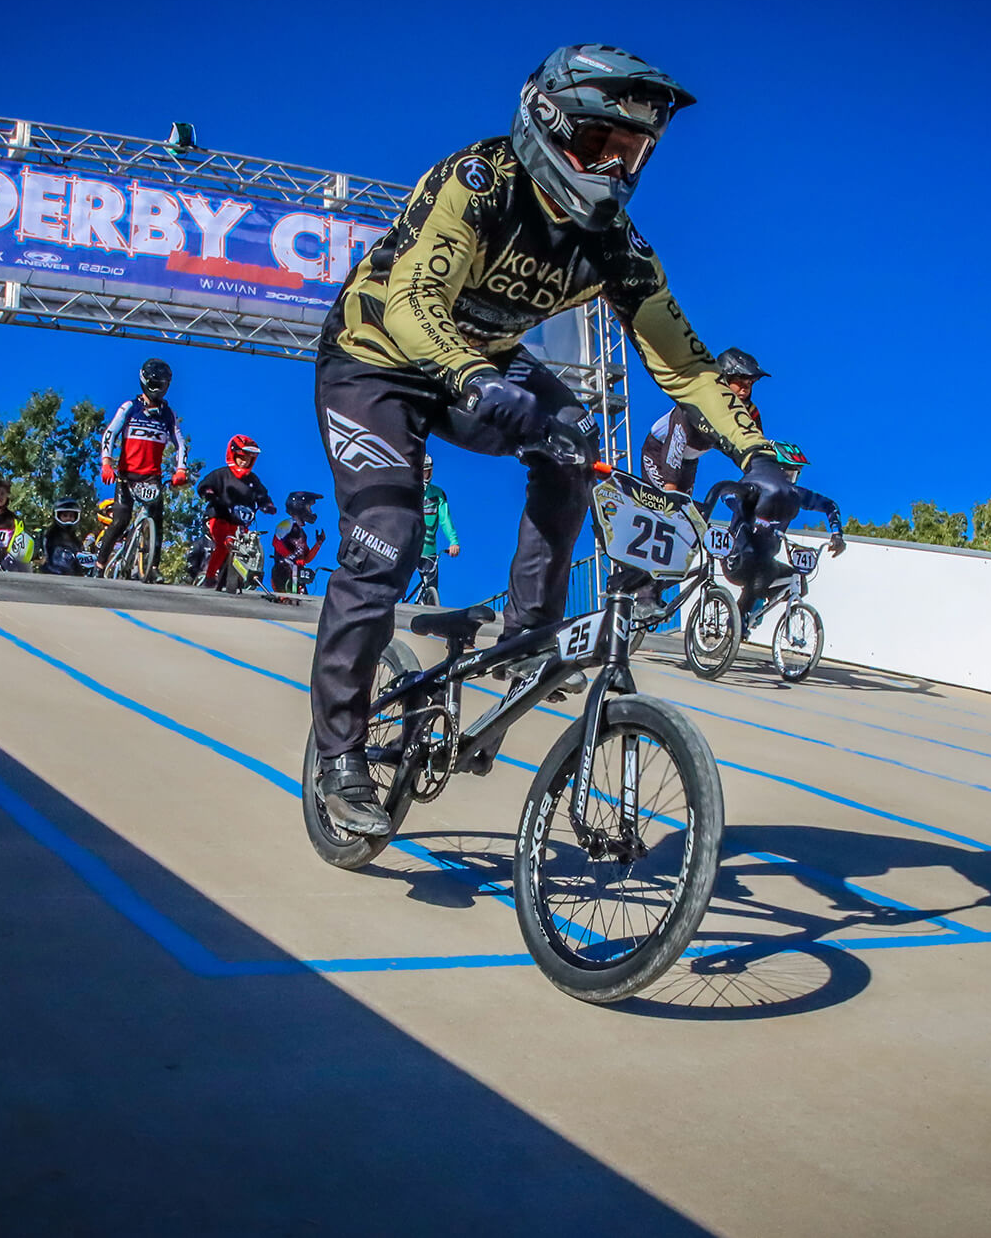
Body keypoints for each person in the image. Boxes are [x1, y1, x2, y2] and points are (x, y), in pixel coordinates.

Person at [306, 43, 796, 835]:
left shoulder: (616, 247)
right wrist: (477, 379)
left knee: (576, 440)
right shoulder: (480, 182)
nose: (619, 169)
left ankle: (530, 633)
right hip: (375, 365)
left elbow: (686, 362)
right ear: (550, 124)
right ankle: (339, 755)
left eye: (635, 153)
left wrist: (758, 455)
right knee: (384, 543)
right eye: (605, 145)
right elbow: (410, 303)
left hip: (482, 369)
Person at [701, 442, 845, 629]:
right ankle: (737, 620)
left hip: (764, 561)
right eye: (786, 474)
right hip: (737, 558)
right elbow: (726, 494)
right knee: (765, 569)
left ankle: (754, 605)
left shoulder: (795, 495)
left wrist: (837, 534)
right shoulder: (754, 487)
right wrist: (749, 511)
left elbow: (830, 505)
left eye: (794, 475)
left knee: (798, 581)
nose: (790, 481)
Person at [96, 358, 190, 573]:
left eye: (163, 385)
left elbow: (180, 443)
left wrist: (181, 469)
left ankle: (153, 567)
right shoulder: (130, 407)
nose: (159, 390)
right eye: (156, 384)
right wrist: (106, 463)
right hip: (127, 476)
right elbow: (110, 434)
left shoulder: (168, 414)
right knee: (121, 520)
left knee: (157, 521)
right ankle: (100, 564)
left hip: (152, 477)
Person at [640, 347, 769, 492]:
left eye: (750, 384)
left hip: (689, 460)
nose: (745, 389)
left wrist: (762, 481)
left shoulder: (749, 413)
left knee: (685, 509)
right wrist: (670, 486)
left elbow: (756, 447)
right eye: (740, 381)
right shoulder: (696, 402)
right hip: (659, 451)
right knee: (666, 501)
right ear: (725, 378)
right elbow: (675, 443)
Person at [196, 434, 276, 586]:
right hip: (218, 517)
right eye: (241, 457)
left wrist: (268, 505)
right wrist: (209, 493)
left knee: (246, 544)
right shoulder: (221, 474)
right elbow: (204, 485)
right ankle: (210, 576)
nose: (244, 461)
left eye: (249, 459)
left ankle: (240, 577)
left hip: (240, 523)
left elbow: (262, 495)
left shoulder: (253, 480)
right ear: (232, 455)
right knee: (224, 543)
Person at [406, 456, 461, 605]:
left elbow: (445, 521)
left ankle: (430, 613)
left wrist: (453, 542)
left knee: (432, 588)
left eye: (429, 472)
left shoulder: (438, 495)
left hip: (428, 551)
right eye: (423, 472)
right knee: (397, 581)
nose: (426, 476)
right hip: (408, 547)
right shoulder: (409, 492)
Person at [270, 490, 328, 593]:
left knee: (302, 601)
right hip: (283, 571)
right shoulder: (286, 524)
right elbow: (276, 542)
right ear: (300, 507)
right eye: (309, 507)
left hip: (297, 574)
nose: (310, 511)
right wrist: (291, 557)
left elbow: (306, 559)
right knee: (284, 599)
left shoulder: (302, 534)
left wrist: (318, 544)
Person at [36, 495, 92, 576]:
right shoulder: (48, 536)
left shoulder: (76, 541)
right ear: (57, 516)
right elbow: (42, 559)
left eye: (71, 516)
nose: (68, 518)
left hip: (72, 580)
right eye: (65, 516)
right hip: (52, 577)